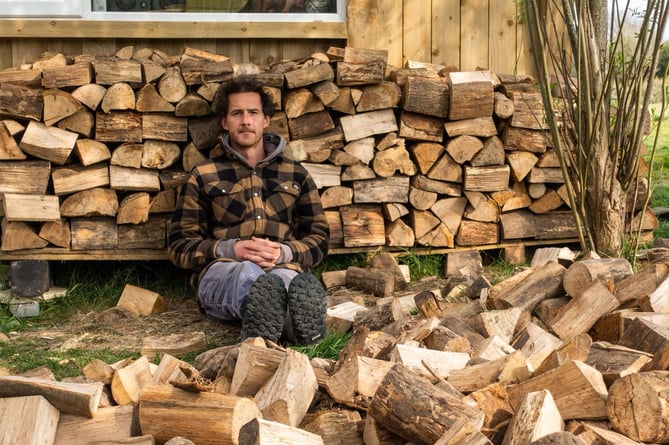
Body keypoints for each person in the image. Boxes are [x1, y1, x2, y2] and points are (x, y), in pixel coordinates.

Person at [167, 76, 330, 345]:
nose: (245, 120)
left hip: (281, 266)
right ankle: (286, 323)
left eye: (253, 112)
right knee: (247, 277)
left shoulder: (296, 174)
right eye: (237, 113)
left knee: (285, 280)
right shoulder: (204, 175)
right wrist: (230, 249)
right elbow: (178, 245)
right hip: (224, 270)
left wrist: (284, 252)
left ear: (265, 119)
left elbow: (320, 238)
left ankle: (281, 318)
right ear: (225, 122)